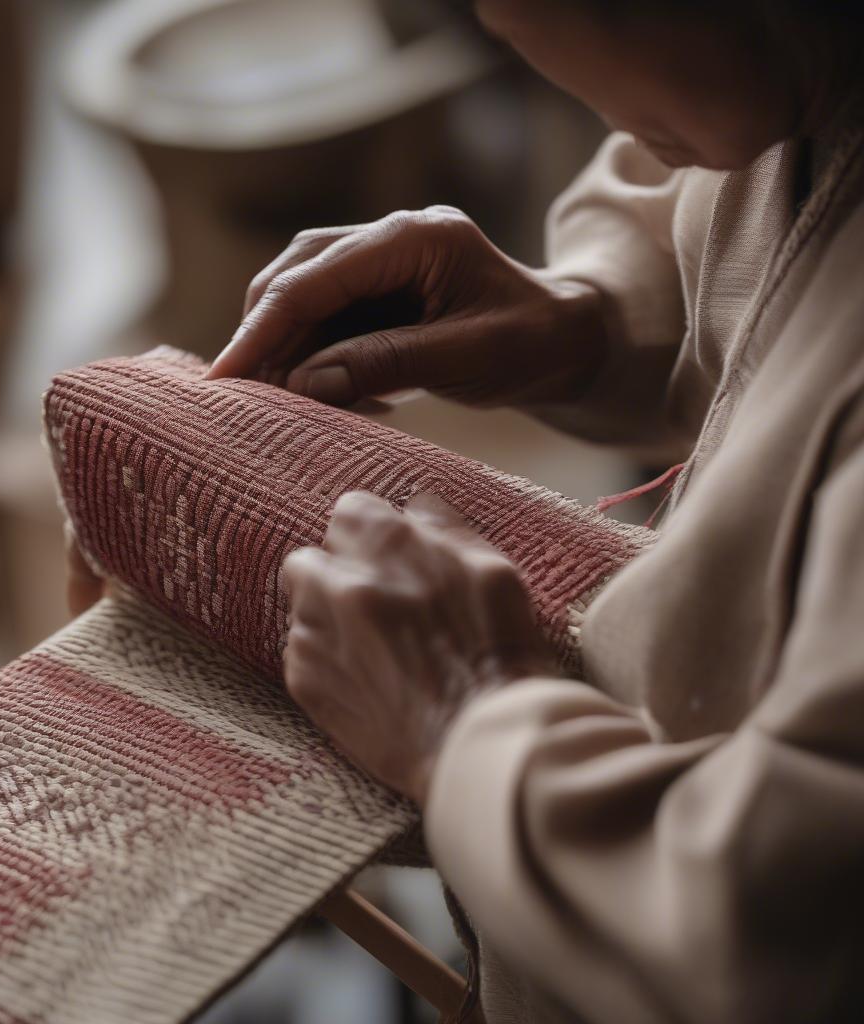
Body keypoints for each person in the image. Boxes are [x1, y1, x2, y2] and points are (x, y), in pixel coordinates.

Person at [70, 1, 864, 1020]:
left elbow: (791, 941)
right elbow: (752, 194)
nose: (509, 38)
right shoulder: (798, 69)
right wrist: (588, 314)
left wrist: (470, 724)